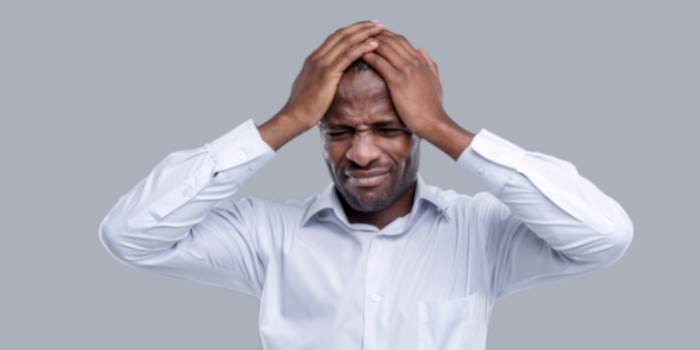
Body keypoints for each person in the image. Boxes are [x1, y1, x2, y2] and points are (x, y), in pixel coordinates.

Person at [99, 20, 633, 350]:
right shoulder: (269, 236)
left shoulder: (480, 233)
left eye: (389, 129)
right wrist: (284, 122)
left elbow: (604, 236)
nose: (360, 152)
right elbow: (130, 235)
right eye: (338, 131)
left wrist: (444, 128)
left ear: (417, 128)